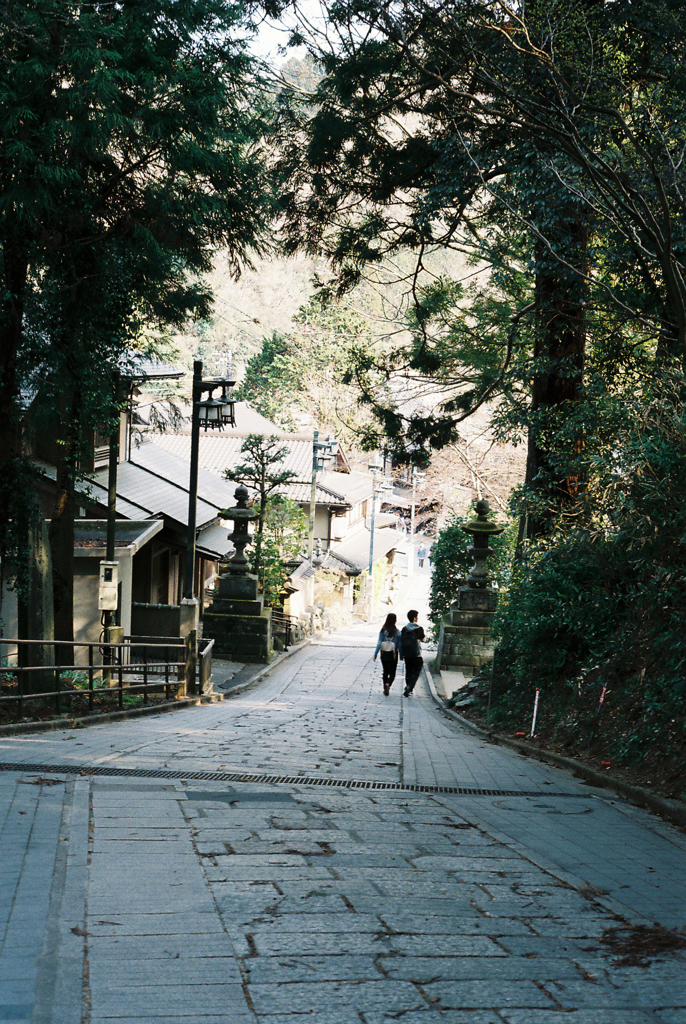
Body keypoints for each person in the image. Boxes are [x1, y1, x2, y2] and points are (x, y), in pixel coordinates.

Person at [373, 612, 401, 696]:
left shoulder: (383, 631)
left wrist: (375, 654)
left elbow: (379, 643)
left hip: (384, 653)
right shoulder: (397, 632)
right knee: (392, 671)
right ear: (395, 621)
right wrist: (401, 654)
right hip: (393, 654)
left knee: (385, 671)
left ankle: (385, 686)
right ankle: (388, 683)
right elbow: (399, 644)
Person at [399, 609, 425, 696]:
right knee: (417, 671)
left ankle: (408, 686)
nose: (417, 618)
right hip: (416, 654)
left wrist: (401, 654)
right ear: (414, 618)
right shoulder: (419, 628)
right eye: (417, 617)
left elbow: (401, 642)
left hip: (407, 654)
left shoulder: (404, 629)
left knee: (408, 671)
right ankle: (410, 687)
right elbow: (423, 639)